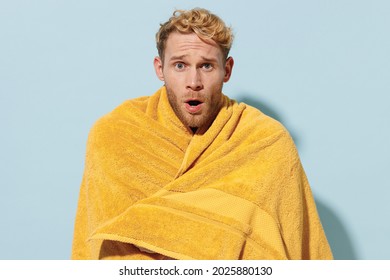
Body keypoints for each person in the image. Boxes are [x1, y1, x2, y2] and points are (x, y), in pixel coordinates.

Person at [71, 8, 333, 260]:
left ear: (226, 70)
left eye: (206, 66)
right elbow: (104, 248)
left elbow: (296, 248)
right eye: (180, 65)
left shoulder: (265, 141)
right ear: (160, 69)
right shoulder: (117, 135)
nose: (193, 81)